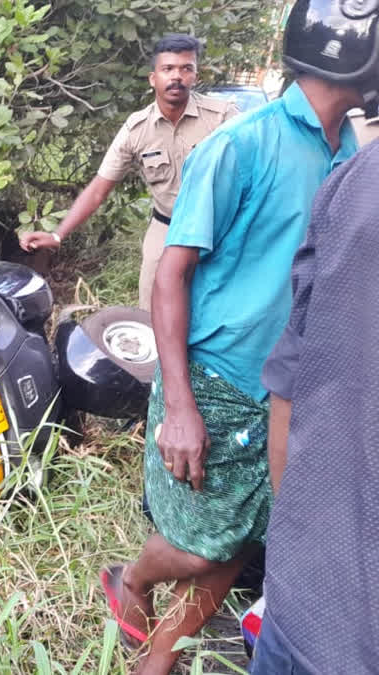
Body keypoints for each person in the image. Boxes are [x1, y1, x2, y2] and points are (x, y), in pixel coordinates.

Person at [98, 1, 372, 672]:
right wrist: (181, 404)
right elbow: (172, 274)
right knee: (205, 543)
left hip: (281, 386)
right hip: (217, 376)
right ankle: (130, 579)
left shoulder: (346, 154)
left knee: (249, 534)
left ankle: (159, 656)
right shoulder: (242, 144)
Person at [249, 3, 379, 672]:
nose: (178, 78)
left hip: (312, 607)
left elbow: (290, 382)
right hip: (321, 609)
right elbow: (174, 271)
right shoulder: (247, 141)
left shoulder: (351, 168)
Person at [19, 34, 237, 311]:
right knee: (153, 314)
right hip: (167, 228)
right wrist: (58, 235)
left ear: (195, 76)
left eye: (186, 68)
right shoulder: (136, 129)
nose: (177, 77)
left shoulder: (223, 118)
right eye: (168, 69)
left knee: (221, 313)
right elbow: (99, 189)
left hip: (219, 230)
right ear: (152, 78)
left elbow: (258, 174)